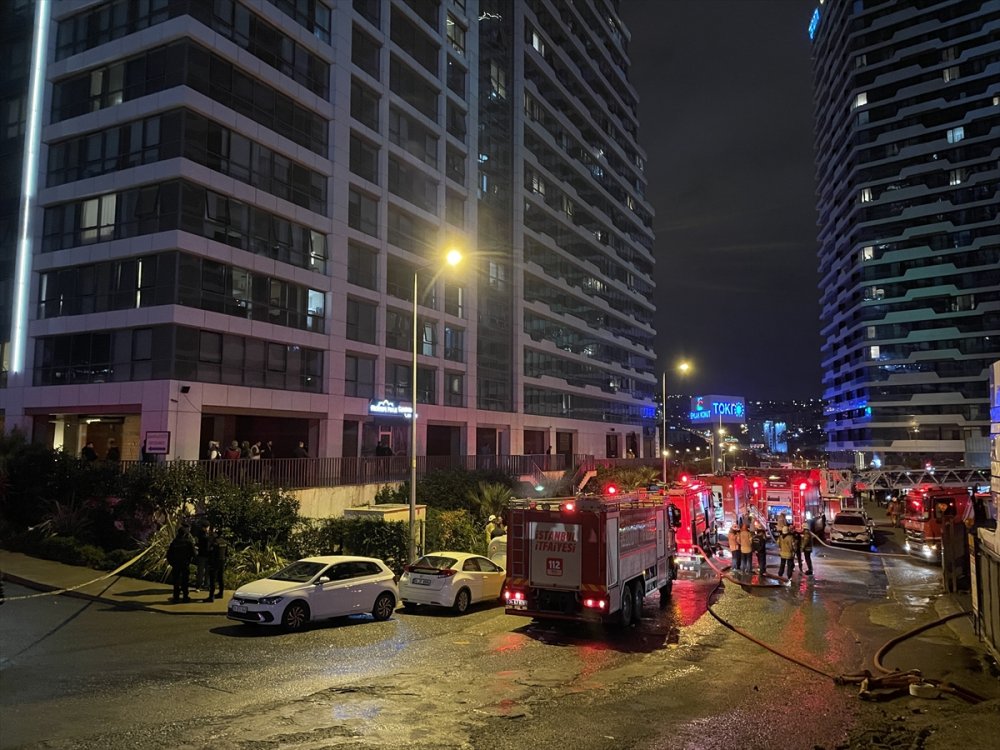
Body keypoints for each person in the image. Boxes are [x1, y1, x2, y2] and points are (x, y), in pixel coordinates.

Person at [167, 525, 197, 603]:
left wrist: (172, 563)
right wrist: (189, 560)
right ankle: (185, 597)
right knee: (185, 581)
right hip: (185, 564)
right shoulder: (188, 542)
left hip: (176, 564)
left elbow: (169, 554)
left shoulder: (174, 542)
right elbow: (194, 553)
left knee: (176, 581)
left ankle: (176, 597)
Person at [204, 526, 229, 602]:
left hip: (214, 562)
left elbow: (211, 553)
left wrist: (210, 563)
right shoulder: (225, 542)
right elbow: (227, 553)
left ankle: (211, 596)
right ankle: (221, 593)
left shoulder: (214, 542)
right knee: (220, 578)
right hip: (222, 561)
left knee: (213, 579)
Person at [193, 522, 211, 591]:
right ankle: (199, 585)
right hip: (203, 555)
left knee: (206, 571)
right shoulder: (202, 535)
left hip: (205, 555)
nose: (207, 529)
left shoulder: (206, 535)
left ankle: (205, 585)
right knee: (201, 571)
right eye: (206, 527)